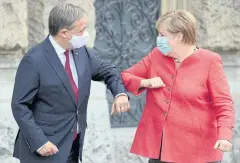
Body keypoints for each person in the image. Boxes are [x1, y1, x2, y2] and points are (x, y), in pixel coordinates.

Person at [11, 3, 130, 163]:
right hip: (44, 149)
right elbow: (20, 106)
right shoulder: (33, 60)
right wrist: (40, 142)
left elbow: (109, 71)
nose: (86, 34)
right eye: (81, 31)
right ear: (64, 33)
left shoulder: (82, 52)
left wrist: (120, 93)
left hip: (73, 146)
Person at [121, 10, 235, 163]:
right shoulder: (156, 56)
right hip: (162, 151)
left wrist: (225, 136)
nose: (158, 39)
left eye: (162, 35)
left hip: (199, 151)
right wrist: (145, 82)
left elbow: (224, 103)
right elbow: (124, 77)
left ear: (179, 37)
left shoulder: (210, 61)